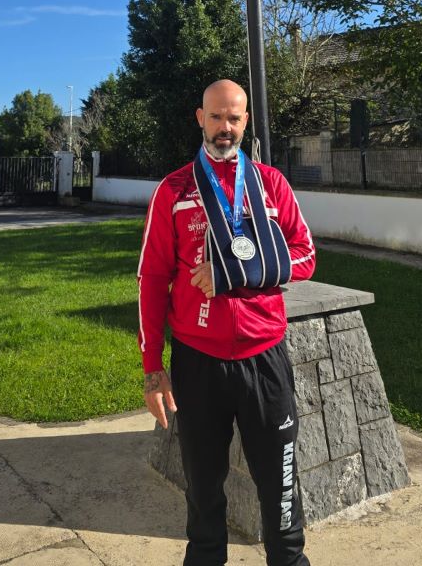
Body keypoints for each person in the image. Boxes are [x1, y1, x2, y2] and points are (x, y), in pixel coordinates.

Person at [137, 79, 315, 566]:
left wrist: (236, 272)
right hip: (199, 362)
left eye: (234, 118)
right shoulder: (174, 190)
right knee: (203, 489)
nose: (225, 127)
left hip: (264, 358)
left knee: (280, 485)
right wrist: (153, 368)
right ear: (200, 118)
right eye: (216, 116)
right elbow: (151, 280)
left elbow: (305, 255)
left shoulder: (271, 184)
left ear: (246, 121)